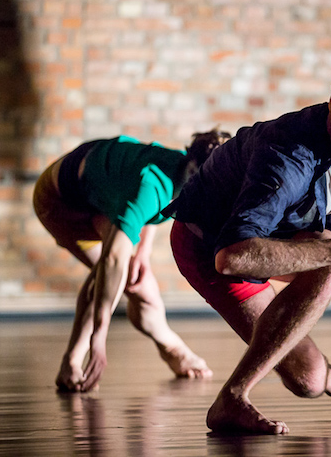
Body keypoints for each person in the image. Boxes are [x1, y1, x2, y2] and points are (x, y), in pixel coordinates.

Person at [167, 46, 331, 434]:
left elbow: (328, 221)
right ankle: (232, 398)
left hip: (272, 237)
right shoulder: (288, 156)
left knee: (308, 381)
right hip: (207, 244)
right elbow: (230, 258)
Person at [33, 130, 230, 392]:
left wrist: (143, 253)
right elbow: (112, 259)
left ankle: (172, 348)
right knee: (121, 272)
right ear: (194, 169)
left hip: (98, 187)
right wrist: (99, 338)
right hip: (59, 203)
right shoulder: (153, 186)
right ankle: (72, 361)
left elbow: (149, 206)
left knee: (140, 282)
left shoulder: (179, 167)